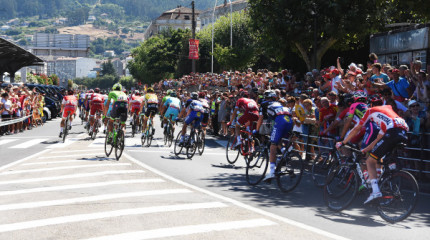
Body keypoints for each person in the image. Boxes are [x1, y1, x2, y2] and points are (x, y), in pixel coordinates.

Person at [337, 104, 409, 204]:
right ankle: (379, 175)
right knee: (378, 155)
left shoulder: (369, 111)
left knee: (370, 161)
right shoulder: (385, 119)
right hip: (404, 132)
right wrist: (365, 149)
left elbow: (356, 129)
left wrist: (343, 142)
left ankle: (375, 191)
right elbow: (377, 140)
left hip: (393, 132)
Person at [255, 90, 293, 181]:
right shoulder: (279, 103)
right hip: (289, 119)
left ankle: (271, 172)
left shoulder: (264, 104)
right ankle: (285, 151)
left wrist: (256, 130)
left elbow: (260, 118)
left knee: (272, 146)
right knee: (277, 140)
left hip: (280, 120)